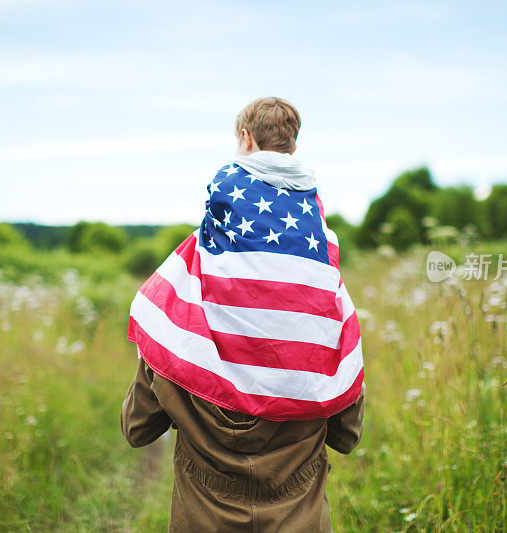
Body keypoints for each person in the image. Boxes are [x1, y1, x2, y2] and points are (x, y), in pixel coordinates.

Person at [121, 97, 365, 532]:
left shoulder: (183, 306)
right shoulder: (324, 301)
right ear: (293, 151)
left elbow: (137, 429)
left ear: (245, 139)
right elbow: (346, 437)